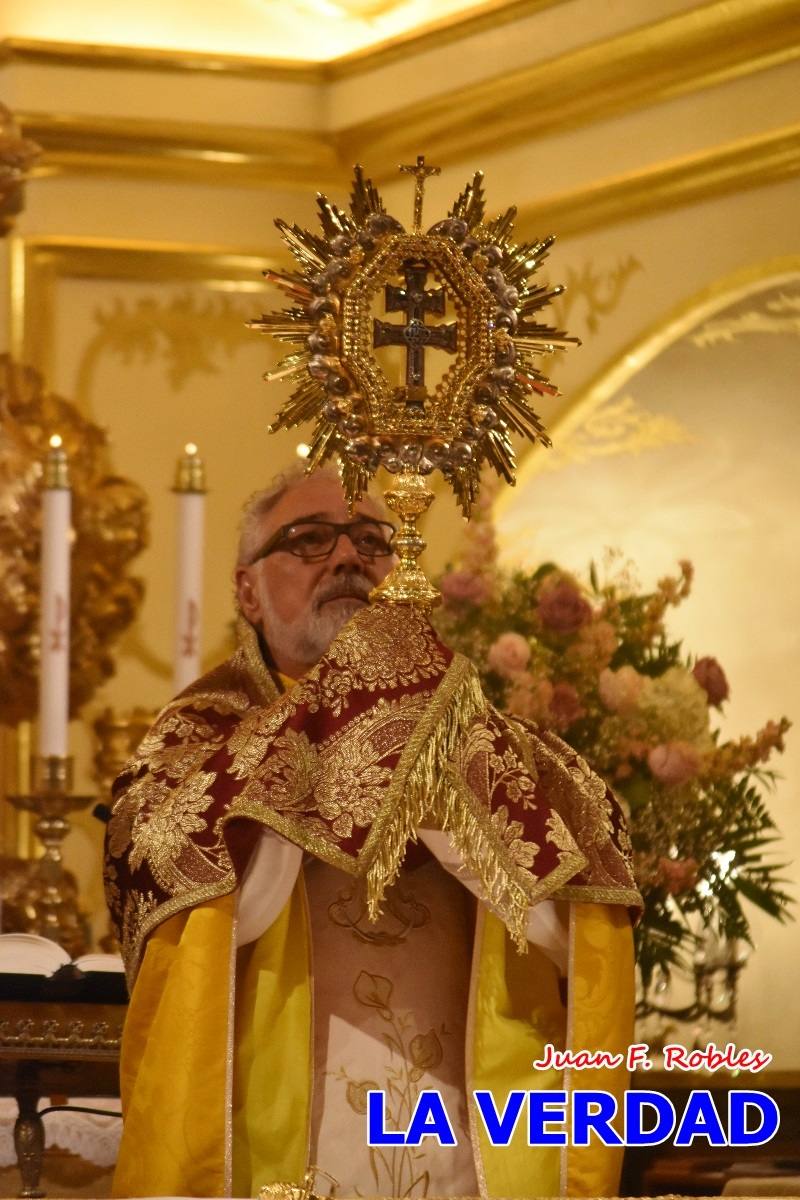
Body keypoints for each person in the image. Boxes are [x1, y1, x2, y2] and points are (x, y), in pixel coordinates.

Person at [105, 467, 640, 1200]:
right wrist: (339, 740)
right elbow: (157, 863)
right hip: (275, 1132)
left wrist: (444, 772)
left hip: (461, 1139)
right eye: (310, 539)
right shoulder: (196, 742)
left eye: (373, 541)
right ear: (248, 592)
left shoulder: (483, 733)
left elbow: (584, 880)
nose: (349, 557)